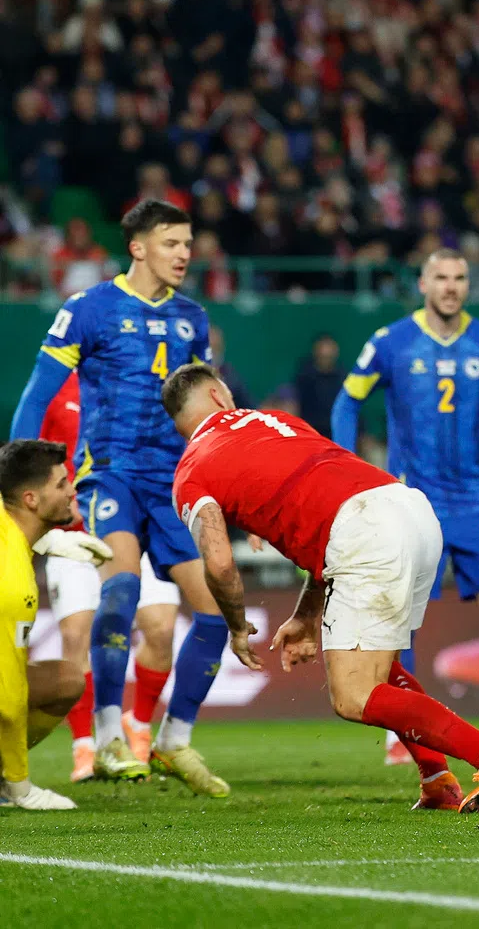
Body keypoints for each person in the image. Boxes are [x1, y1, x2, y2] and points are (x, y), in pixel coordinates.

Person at [161, 363, 479, 814]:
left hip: (364, 533)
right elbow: (333, 507)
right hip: (409, 507)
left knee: (354, 696)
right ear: (219, 396)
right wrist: (306, 616)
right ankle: (436, 780)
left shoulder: (191, 470)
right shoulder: (277, 421)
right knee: (382, 670)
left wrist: (237, 626)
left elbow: (220, 563)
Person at [9, 200, 229, 795]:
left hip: (174, 483)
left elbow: (203, 410)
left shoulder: (192, 318)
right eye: (172, 243)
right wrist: (16, 480)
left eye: (188, 243)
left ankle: (174, 740)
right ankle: (106, 737)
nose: (185, 254)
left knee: (216, 613)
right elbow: (36, 397)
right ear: (138, 247)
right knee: (123, 589)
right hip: (110, 475)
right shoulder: (88, 310)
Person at [331, 249, 479, 760]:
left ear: (467, 285)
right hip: (412, 502)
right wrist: (347, 468)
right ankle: (399, 729)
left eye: (459, 278)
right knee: (401, 618)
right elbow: (348, 400)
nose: (451, 286)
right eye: (441, 277)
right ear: (423, 283)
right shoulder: (391, 342)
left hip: (476, 500)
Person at [39, 371, 180, 782]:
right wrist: (62, 504)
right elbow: (35, 459)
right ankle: (85, 747)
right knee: (75, 634)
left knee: (161, 627)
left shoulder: (141, 384)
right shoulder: (53, 391)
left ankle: (137, 726)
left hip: (135, 529)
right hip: (74, 533)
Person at [0, 439, 112, 810]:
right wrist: (20, 785)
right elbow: (7, 698)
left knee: (65, 680)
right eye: (62, 483)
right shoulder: (12, 582)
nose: (72, 491)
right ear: (31, 499)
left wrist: (48, 541)